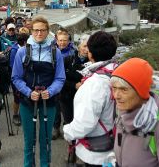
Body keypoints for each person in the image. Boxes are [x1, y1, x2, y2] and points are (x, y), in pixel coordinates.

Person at [12, 16, 66, 167]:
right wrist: (29, 92)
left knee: (46, 140)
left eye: (43, 30)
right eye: (36, 30)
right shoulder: (22, 52)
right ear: (31, 31)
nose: (39, 33)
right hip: (27, 102)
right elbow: (16, 78)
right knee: (29, 141)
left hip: (49, 102)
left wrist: (51, 91)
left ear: (48, 32)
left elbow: (60, 78)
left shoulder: (56, 53)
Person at [110, 58, 159, 167]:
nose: (116, 95)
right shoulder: (122, 111)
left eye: (124, 89)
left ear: (141, 91)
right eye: (114, 88)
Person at [63, 31, 118, 167]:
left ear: (90, 54)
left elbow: (84, 123)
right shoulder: (116, 72)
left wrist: (68, 132)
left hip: (97, 151)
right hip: (114, 142)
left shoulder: (95, 83)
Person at [52, 28, 77, 140]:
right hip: (55, 85)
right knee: (55, 109)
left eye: (64, 40)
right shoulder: (51, 51)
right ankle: (56, 129)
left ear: (68, 40)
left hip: (68, 87)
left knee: (68, 111)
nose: (62, 43)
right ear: (56, 40)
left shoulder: (73, 51)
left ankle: (67, 131)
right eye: (60, 40)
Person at [9, 28, 30, 126]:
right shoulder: (14, 50)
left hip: (25, 77)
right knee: (17, 98)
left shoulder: (25, 49)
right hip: (16, 78)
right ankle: (15, 115)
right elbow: (14, 67)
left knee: (24, 97)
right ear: (25, 42)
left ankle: (23, 115)